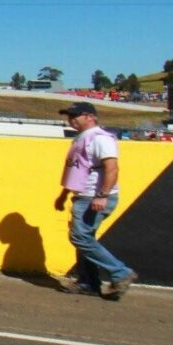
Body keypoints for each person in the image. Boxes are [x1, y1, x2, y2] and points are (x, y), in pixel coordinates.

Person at [55, 101, 137, 298]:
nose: (71, 120)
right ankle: (88, 283)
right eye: (69, 116)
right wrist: (64, 195)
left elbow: (112, 169)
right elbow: (77, 170)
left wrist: (102, 195)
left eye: (75, 115)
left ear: (90, 117)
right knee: (85, 239)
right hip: (85, 196)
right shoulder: (83, 138)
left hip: (94, 197)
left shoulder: (99, 139)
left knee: (80, 237)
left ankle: (120, 273)